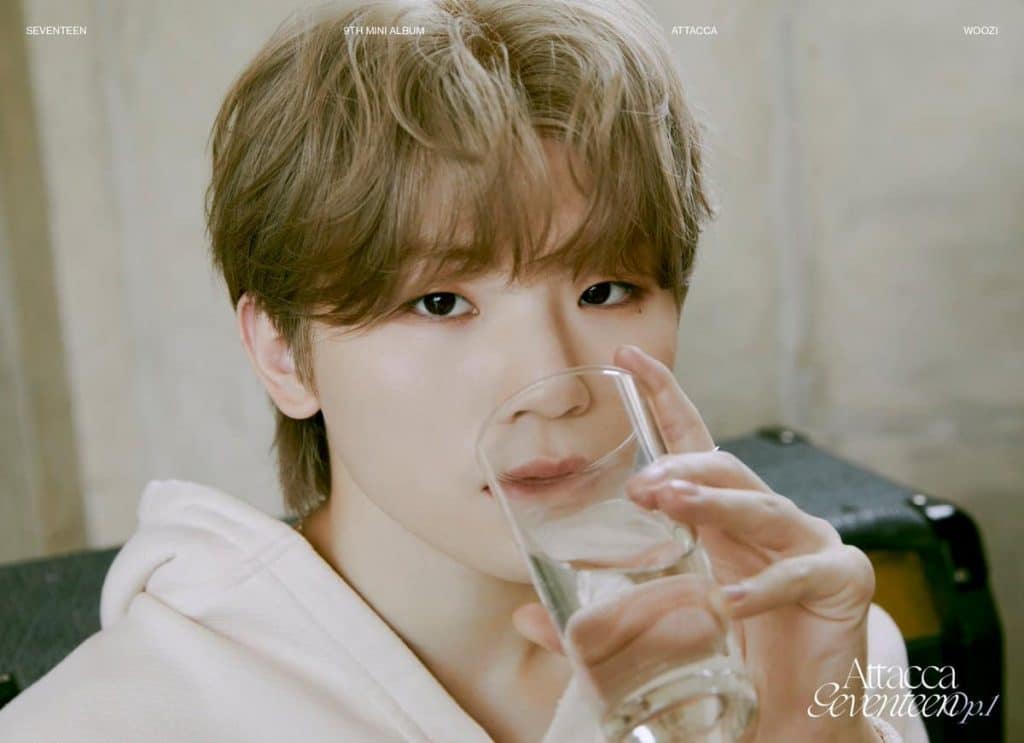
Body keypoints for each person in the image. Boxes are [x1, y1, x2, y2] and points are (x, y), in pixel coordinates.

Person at [0, 1, 928, 741]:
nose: (555, 381)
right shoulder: (104, 723)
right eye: (440, 303)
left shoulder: (800, 645)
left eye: (605, 289)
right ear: (282, 351)